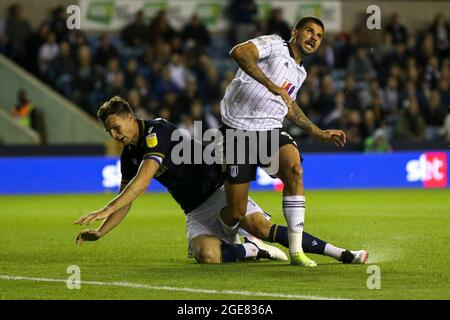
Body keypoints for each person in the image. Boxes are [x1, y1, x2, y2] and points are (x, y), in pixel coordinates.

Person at [74, 96, 368, 265]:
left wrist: (105, 208)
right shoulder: (129, 155)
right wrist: (102, 230)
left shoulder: (156, 132)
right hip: (195, 211)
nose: (115, 135)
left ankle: (342, 254)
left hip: (219, 191)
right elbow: (129, 197)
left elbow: (142, 183)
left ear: (128, 116)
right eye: (109, 132)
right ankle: (252, 250)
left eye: (116, 127)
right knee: (207, 255)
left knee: (259, 226)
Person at [218, 17, 347, 267]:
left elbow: (288, 106)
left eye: (319, 36)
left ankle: (296, 251)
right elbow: (239, 52)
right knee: (235, 212)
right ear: (295, 32)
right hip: (237, 132)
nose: (313, 38)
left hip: (269, 130)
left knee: (295, 169)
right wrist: (272, 85)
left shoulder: (300, 72)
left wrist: (318, 132)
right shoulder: (274, 45)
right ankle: (227, 237)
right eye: (309, 31)